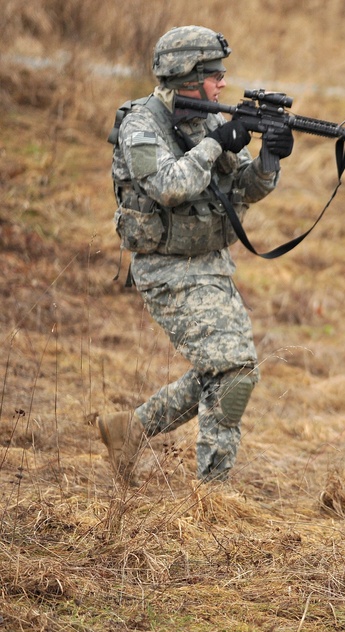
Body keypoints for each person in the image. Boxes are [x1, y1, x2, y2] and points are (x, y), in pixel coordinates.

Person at [97, 25, 294, 484]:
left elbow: (244, 188)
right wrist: (219, 141)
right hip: (165, 267)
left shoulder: (205, 118)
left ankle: (132, 429)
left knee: (227, 367)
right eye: (214, 74)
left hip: (211, 263)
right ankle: (212, 493)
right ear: (186, 76)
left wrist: (269, 159)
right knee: (233, 370)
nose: (223, 82)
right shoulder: (141, 125)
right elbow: (169, 187)